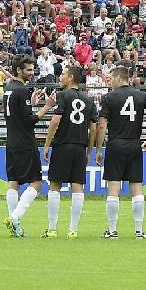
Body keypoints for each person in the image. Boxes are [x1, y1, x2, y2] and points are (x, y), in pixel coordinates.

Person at [97, 66, 146, 239]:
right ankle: (139, 231)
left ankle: (112, 231)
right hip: (134, 145)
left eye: (111, 78)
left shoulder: (108, 98)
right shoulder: (141, 95)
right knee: (137, 189)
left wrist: (98, 148)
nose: (109, 81)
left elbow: (101, 125)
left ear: (118, 78)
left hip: (116, 145)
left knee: (114, 189)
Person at [41, 64, 97, 238]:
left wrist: (47, 144)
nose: (60, 77)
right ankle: (73, 230)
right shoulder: (89, 100)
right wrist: (89, 151)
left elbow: (55, 122)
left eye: (63, 74)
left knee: (55, 185)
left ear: (71, 78)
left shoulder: (62, 96)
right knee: (77, 186)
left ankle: (52, 229)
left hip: (63, 145)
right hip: (80, 147)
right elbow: (94, 129)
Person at [3, 58, 43, 237]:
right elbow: (29, 121)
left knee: (14, 182)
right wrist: (45, 108)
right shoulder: (22, 90)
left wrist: (31, 104)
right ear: (19, 70)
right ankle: (15, 218)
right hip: (25, 142)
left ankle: (14, 225)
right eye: (28, 70)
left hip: (11, 140)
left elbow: (19, 113)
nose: (31, 73)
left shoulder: (8, 89)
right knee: (36, 182)